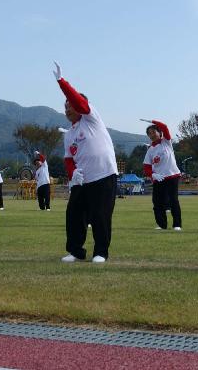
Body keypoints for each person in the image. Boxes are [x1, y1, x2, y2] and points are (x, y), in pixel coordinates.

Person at [55, 62, 118, 263]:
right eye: (64, 107)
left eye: (69, 105)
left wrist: (61, 82)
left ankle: (100, 252)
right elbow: (68, 158)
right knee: (74, 215)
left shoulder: (91, 118)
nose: (67, 110)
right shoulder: (69, 134)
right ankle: (75, 251)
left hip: (103, 175)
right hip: (82, 180)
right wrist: (73, 173)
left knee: (100, 215)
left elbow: (79, 102)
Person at [142, 119, 182, 231]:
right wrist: (153, 175)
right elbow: (146, 166)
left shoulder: (166, 142)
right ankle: (162, 225)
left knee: (173, 200)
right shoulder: (150, 150)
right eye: (149, 133)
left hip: (172, 176)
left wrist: (153, 121)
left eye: (153, 132)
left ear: (160, 133)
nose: (152, 135)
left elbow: (164, 126)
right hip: (158, 179)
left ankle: (177, 224)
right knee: (157, 202)